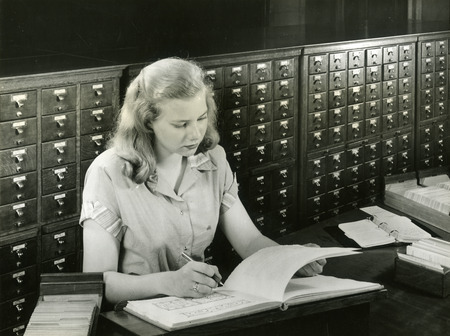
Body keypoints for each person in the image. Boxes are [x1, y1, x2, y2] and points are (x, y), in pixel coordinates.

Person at [80, 57, 326, 305]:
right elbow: (98, 282)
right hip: (134, 315)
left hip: (196, 307)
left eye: (201, 118)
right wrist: (169, 282)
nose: (196, 133)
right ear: (147, 122)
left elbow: (249, 241)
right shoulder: (108, 172)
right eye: (181, 124)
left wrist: (289, 260)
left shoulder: (213, 161)